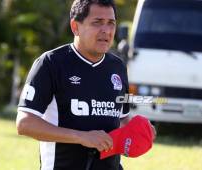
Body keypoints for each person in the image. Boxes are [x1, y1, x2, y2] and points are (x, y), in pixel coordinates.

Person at [16, 0, 149, 170]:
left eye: (111, 23)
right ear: (75, 27)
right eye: (97, 23)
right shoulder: (50, 63)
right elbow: (25, 124)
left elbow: (121, 118)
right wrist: (81, 137)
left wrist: (138, 130)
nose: (106, 31)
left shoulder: (118, 66)